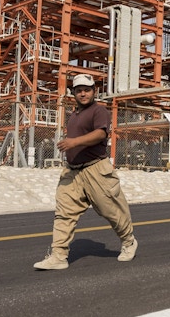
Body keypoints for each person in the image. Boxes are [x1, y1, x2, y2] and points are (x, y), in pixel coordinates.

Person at [33, 73, 138, 270]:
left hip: (96, 170)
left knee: (111, 211)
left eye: (87, 90)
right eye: (79, 90)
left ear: (94, 91)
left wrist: (74, 142)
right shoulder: (74, 115)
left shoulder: (99, 111)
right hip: (73, 172)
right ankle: (58, 256)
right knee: (64, 213)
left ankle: (128, 241)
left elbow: (100, 134)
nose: (83, 94)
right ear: (73, 93)